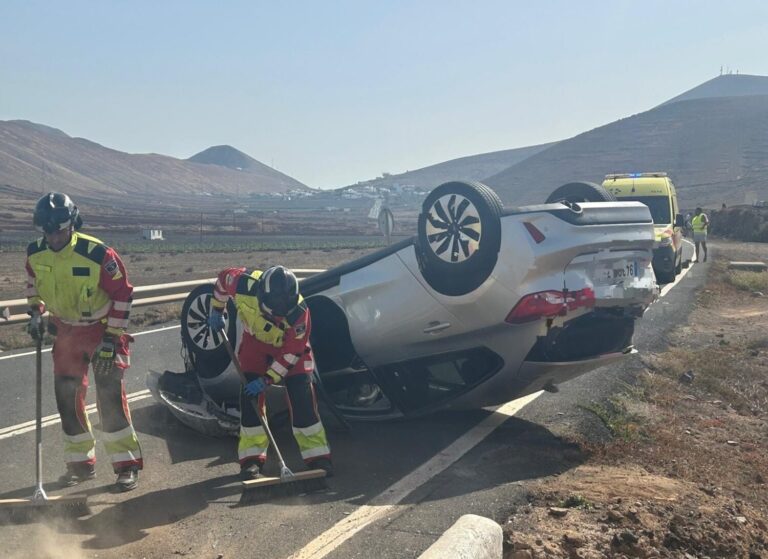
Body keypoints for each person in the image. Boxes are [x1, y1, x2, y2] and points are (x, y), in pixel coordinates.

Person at [25, 193, 143, 491]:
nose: (53, 237)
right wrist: (36, 314)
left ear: (71, 225)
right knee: (67, 398)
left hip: (103, 330)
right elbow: (32, 286)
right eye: (47, 232)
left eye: (58, 231)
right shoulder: (35, 253)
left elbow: (123, 296)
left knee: (110, 399)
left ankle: (126, 465)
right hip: (66, 333)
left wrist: (111, 339)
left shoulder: (98, 254)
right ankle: (80, 466)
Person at [207, 265, 333, 480]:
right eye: (272, 310)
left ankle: (318, 457)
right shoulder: (241, 283)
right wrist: (217, 310)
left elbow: (292, 354)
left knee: (301, 397)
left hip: (290, 349)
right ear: (260, 295)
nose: (277, 316)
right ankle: (251, 460)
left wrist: (268, 379)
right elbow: (220, 282)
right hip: (255, 344)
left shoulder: (299, 314)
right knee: (250, 400)